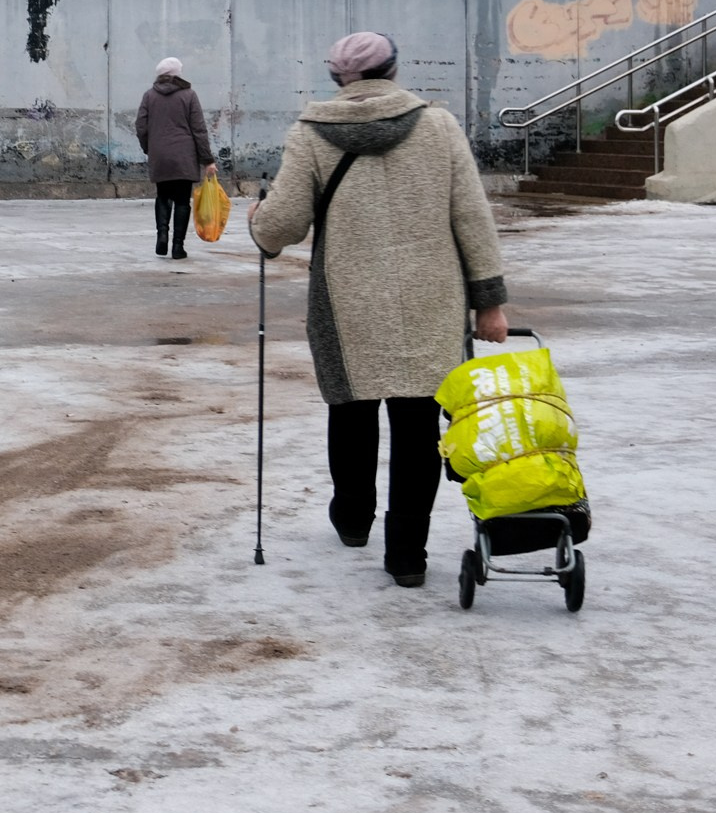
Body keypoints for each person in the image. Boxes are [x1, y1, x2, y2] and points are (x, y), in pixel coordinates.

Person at [247, 31, 509, 588]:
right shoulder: (438, 125)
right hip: (432, 301)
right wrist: (489, 302)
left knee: (351, 409)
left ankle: (352, 519)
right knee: (418, 426)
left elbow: (281, 225)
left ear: (336, 76)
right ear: (392, 69)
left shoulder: (311, 133)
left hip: (346, 301)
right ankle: (408, 555)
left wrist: (258, 223)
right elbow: (472, 216)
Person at [135, 56, 218, 259]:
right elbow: (199, 130)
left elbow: (141, 126)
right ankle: (178, 247)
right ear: (177, 74)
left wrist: (149, 148)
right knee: (182, 200)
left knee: (163, 195)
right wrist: (207, 160)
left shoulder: (149, 96)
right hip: (184, 156)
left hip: (160, 155)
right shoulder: (189, 95)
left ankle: (162, 236)